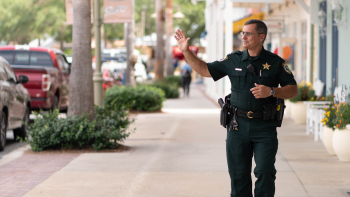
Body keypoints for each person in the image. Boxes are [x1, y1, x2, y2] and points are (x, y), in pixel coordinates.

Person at [174, 19, 298, 197]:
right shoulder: (234, 59)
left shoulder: (276, 62)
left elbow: (292, 90)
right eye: (243, 33)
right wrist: (185, 51)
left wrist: (271, 91)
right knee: (239, 176)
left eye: (249, 33)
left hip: (264, 127)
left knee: (265, 172)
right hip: (237, 126)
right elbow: (204, 70)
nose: (244, 36)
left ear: (261, 36)